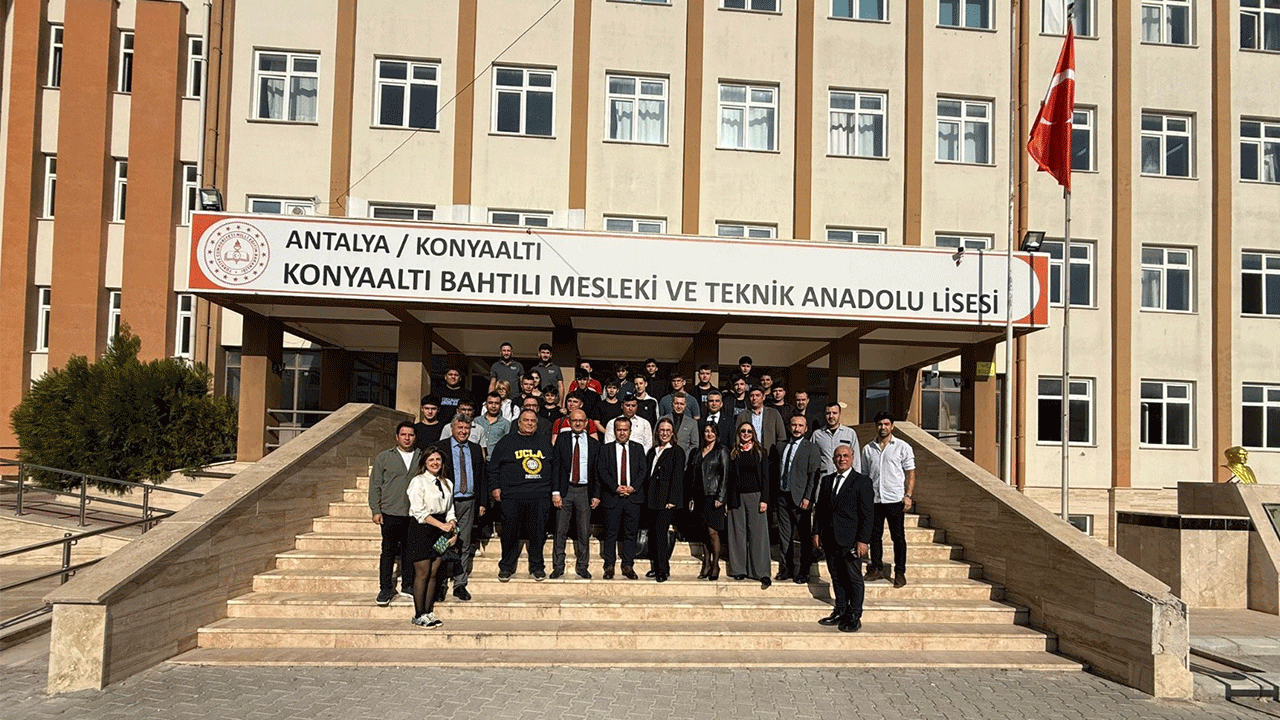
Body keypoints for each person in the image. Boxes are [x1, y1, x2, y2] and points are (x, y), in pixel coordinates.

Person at [487, 409, 556, 581]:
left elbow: (554, 467)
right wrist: (495, 488)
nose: (530, 423)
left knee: (538, 534)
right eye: (526, 420)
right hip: (512, 495)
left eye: (533, 421)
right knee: (510, 533)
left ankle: (537, 567)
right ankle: (506, 567)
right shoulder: (506, 441)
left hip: (539, 495)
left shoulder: (544, 441)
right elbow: (493, 467)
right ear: (518, 423)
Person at [812, 445, 874, 633]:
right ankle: (840, 610)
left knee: (853, 578)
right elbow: (820, 509)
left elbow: (867, 514)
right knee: (836, 577)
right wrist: (816, 532)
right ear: (833, 459)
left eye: (846, 455)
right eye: (838, 456)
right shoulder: (827, 480)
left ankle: (854, 615)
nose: (842, 459)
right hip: (830, 538)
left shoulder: (862, 482)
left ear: (852, 458)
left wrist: (863, 540)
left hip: (851, 540)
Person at [862, 411, 916, 588]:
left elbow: (910, 473)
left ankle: (900, 572)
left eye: (886, 424)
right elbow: (864, 476)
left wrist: (908, 495)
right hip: (875, 500)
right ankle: (876, 568)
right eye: (879, 424)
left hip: (895, 499)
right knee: (874, 537)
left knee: (898, 537)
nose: (883, 427)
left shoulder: (902, 447)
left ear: (892, 426)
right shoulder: (868, 449)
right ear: (876, 426)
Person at [369, 421, 420, 605]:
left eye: (411, 435)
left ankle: (408, 585)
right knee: (388, 551)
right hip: (390, 511)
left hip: (413, 512)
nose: (407, 438)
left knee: (409, 550)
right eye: (403, 434)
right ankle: (385, 588)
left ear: (415, 437)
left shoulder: (421, 456)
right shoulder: (384, 458)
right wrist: (376, 510)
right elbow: (375, 485)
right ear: (397, 437)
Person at [405, 446, 457, 628]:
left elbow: (450, 509)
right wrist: (441, 525)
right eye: (431, 460)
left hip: (441, 530)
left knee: (434, 572)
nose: (435, 463)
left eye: (438, 459)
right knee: (423, 572)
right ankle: (419, 614)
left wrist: (453, 529)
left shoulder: (447, 483)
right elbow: (418, 511)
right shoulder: (418, 482)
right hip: (422, 530)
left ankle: (428, 612)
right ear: (425, 463)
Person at [593, 416, 647, 579]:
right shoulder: (606, 449)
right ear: (614, 431)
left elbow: (642, 470)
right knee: (610, 533)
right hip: (612, 497)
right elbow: (602, 470)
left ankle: (628, 565)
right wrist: (615, 487)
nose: (622, 433)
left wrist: (633, 487)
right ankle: (609, 565)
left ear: (630, 431)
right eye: (619, 430)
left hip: (633, 498)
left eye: (625, 430)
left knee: (631, 533)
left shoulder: (638, 448)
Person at [770, 415, 823, 583]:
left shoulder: (812, 448)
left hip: (801, 499)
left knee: (804, 536)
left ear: (806, 428)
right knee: (784, 535)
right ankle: (787, 568)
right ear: (789, 427)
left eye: (800, 425)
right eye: (794, 425)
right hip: (782, 496)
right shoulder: (780, 446)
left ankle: (804, 571)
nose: (797, 428)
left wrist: (808, 497)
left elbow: (813, 475)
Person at [551, 409, 599, 579]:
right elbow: (556, 466)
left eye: (581, 420)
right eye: (574, 420)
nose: (577, 423)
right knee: (560, 530)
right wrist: (555, 492)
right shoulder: (562, 439)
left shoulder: (593, 443)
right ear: (569, 422)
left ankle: (582, 566)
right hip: (565, 490)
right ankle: (558, 566)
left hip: (584, 491)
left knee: (583, 531)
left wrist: (596, 494)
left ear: (586, 423)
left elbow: (596, 471)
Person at [442, 416, 486, 601]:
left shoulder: (475, 448)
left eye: (467, 428)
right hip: (446, 504)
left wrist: (482, 502)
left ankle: (460, 583)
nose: (463, 431)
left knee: (465, 543)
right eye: (460, 427)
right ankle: (441, 582)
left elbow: (481, 476)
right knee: (443, 542)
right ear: (452, 428)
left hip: (468, 502)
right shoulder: (441, 447)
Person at [725, 422, 772, 589]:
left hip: (756, 496)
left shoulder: (760, 452)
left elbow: (766, 477)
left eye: (749, 431)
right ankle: (739, 569)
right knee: (737, 534)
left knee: (758, 535)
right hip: (736, 497)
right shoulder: (733, 453)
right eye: (743, 431)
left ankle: (761, 572)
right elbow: (729, 478)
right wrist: (727, 500)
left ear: (753, 434)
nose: (746, 434)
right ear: (739, 433)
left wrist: (765, 499)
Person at [687, 421, 729, 580]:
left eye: (712, 431)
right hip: (700, 496)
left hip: (714, 496)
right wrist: (692, 496)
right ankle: (706, 563)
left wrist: (721, 497)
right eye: (706, 431)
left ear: (716, 434)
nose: (709, 434)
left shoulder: (721, 450)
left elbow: (725, 475)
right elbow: (693, 476)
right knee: (704, 531)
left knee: (713, 531)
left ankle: (715, 564)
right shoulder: (698, 452)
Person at [645, 418, 685, 583]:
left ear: (673, 433)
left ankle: (663, 569)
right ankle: (656, 566)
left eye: (668, 430)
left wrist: (672, 499)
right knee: (653, 534)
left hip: (666, 500)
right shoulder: (652, 451)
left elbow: (677, 477)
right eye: (662, 430)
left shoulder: (677, 451)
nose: (665, 433)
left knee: (661, 534)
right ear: (657, 432)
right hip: (652, 498)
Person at [812, 401, 863, 476]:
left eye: (834, 413)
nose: (831, 416)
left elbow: (856, 459)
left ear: (840, 414)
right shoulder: (817, 435)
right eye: (828, 413)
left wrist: (857, 478)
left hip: (844, 477)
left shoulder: (850, 433)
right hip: (824, 477)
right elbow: (812, 458)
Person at [734, 387, 787, 452]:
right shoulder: (743, 415)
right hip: (749, 453)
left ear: (763, 397)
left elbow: (782, 437)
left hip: (769, 453)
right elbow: (737, 436)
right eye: (752, 396)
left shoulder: (773, 413)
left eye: (757, 395)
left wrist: (777, 452)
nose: (754, 398)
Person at [475, 391, 511, 455]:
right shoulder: (477, 421)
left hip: (497, 458)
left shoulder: (506, 424)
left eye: (496, 403)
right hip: (478, 457)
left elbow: (507, 445)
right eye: (490, 403)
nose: (493, 406)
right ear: (486, 405)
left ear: (500, 405)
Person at [534, 343, 565, 408]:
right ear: (539, 354)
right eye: (543, 352)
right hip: (539, 401)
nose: (545, 355)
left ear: (550, 355)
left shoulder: (556, 369)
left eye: (547, 353)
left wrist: (560, 403)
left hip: (553, 401)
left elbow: (561, 387)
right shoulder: (534, 369)